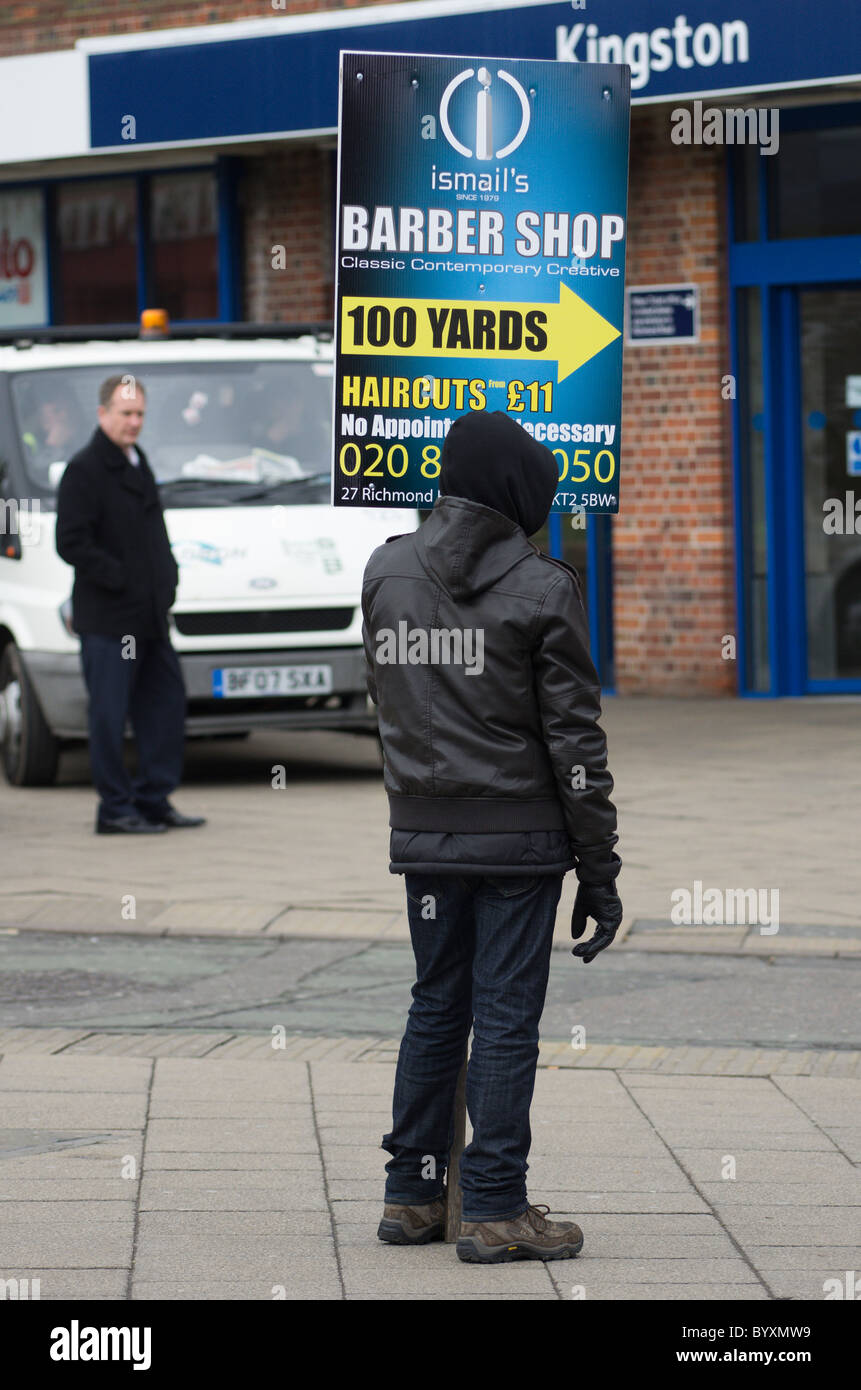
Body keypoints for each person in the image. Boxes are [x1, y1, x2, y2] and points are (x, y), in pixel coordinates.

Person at [361, 410, 622, 1263]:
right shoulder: (545, 586)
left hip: (424, 832)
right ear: (514, 494)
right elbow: (574, 742)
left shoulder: (385, 569)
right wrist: (600, 867)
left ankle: (412, 1196)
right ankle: (496, 1206)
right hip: (518, 840)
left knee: (435, 1003)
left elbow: (388, 697)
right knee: (505, 1013)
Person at [55, 375, 205, 835]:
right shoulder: (84, 469)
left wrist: (169, 575)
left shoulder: (139, 463)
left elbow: (154, 534)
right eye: (125, 414)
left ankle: (153, 799)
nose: (134, 422)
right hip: (110, 620)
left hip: (151, 617)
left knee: (164, 705)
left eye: (140, 414)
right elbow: (71, 542)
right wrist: (121, 578)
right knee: (109, 713)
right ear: (103, 415)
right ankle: (116, 810)